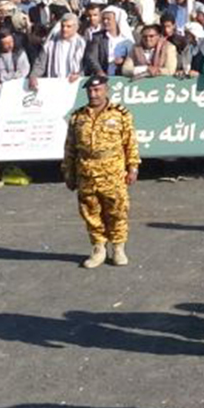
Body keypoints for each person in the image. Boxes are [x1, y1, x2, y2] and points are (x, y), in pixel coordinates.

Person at [62, 77, 139, 268]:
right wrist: (68, 172)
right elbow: (70, 148)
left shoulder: (120, 114)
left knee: (117, 210)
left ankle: (118, 247)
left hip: (112, 171)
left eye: (97, 90)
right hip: (86, 171)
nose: (93, 94)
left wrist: (133, 167)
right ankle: (98, 248)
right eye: (90, 90)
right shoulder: (78, 117)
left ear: (106, 90)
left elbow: (130, 143)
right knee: (90, 211)